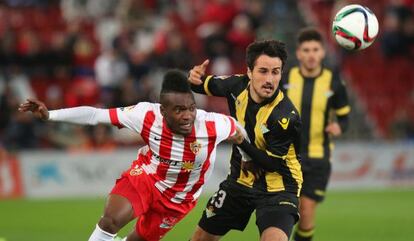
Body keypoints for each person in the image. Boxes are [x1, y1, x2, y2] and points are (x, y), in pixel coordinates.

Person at [18, 70, 245, 241]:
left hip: (180, 199)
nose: (187, 116)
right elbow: (96, 115)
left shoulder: (213, 124)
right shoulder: (145, 114)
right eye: (179, 110)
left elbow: (241, 135)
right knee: (110, 221)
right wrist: (51, 115)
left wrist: (253, 161)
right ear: (162, 110)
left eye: (191, 108)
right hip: (146, 178)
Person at [188, 40, 303, 241]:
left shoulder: (286, 116)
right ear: (249, 72)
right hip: (239, 182)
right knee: (200, 239)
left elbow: (271, 164)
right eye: (263, 71)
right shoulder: (235, 85)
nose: (269, 79)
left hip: (278, 187)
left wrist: (241, 142)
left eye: (275, 72)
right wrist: (193, 78)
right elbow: (200, 85)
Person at [281, 28, 350, 241]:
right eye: (306, 50)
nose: (311, 54)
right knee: (282, 214)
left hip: (317, 158)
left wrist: (339, 127)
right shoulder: (285, 78)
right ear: (299, 53)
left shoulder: (333, 81)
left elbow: (344, 117)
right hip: (286, 156)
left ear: (322, 53)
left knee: (307, 212)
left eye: (315, 49)